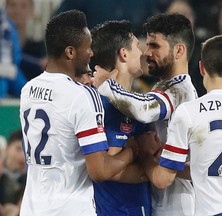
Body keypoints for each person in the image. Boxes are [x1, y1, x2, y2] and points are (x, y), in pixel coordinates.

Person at [19, 10, 137, 216]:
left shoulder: (28, 89)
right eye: (88, 47)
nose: (91, 53)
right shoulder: (81, 96)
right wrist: (132, 152)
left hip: (32, 208)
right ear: (70, 52)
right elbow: (99, 171)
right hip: (69, 209)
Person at [138, 35, 222, 215]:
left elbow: (163, 179)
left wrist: (147, 156)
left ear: (201, 68)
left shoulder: (189, 112)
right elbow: (216, 168)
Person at [94, 13, 197, 216]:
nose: (146, 52)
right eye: (147, 45)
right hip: (158, 202)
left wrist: (107, 85)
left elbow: (144, 110)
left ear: (179, 50)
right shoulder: (163, 89)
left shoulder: (179, 90)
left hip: (176, 206)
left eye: (154, 46)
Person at [90, 20, 153, 216]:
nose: (142, 52)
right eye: (136, 46)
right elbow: (110, 169)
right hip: (121, 210)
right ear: (123, 54)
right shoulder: (111, 107)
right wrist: (146, 167)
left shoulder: (131, 103)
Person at [5, 0, 47, 81]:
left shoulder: (41, 49)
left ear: (32, 11)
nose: (17, 11)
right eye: (12, 5)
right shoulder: (3, 47)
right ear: (5, 9)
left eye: (23, 6)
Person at [0, 7, 26, 99]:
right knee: (2, 87)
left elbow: (16, 50)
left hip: (11, 69)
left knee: (26, 91)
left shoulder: (9, 25)